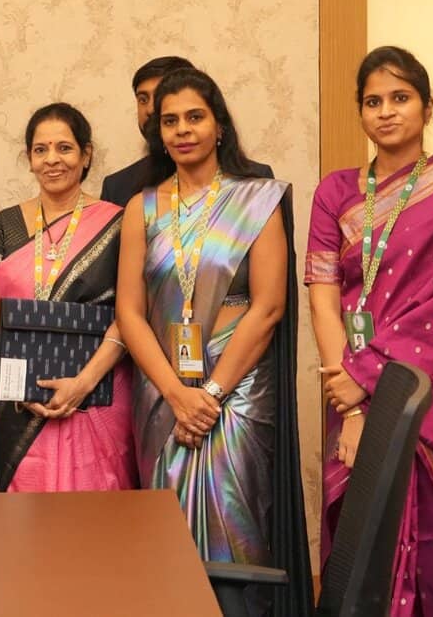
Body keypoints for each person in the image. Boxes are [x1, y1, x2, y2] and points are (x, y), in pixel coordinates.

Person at [117, 67, 311, 614]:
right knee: (165, 540)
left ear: (219, 126)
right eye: (169, 121)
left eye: (195, 117)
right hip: (162, 399)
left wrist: (213, 393)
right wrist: (179, 396)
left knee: (239, 531)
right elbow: (130, 314)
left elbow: (268, 306)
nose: (182, 130)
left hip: (240, 396)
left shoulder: (258, 200)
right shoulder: (143, 207)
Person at [307, 46, 433, 616]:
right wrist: (353, 400)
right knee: (359, 542)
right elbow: (321, 293)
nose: (386, 112)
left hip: (424, 398)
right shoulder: (335, 192)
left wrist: (366, 380)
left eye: (400, 98)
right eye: (372, 101)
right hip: (349, 390)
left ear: (427, 106)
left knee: (432, 544)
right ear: (360, 112)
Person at [0, 102, 137, 492]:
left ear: (86, 156)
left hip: (98, 398)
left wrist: (82, 383)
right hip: (20, 407)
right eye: (40, 149)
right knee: (25, 527)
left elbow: (131, 313)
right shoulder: (7, 223)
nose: (52, 160)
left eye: (65, 148)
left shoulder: (118, 222)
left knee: (96, 520)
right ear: (29, 158)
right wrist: (20, 387)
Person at [100, 56, 273, 206]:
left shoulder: (257, 184)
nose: (152, 109)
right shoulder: (119, 187)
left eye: (194, 117)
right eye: (143, 99)